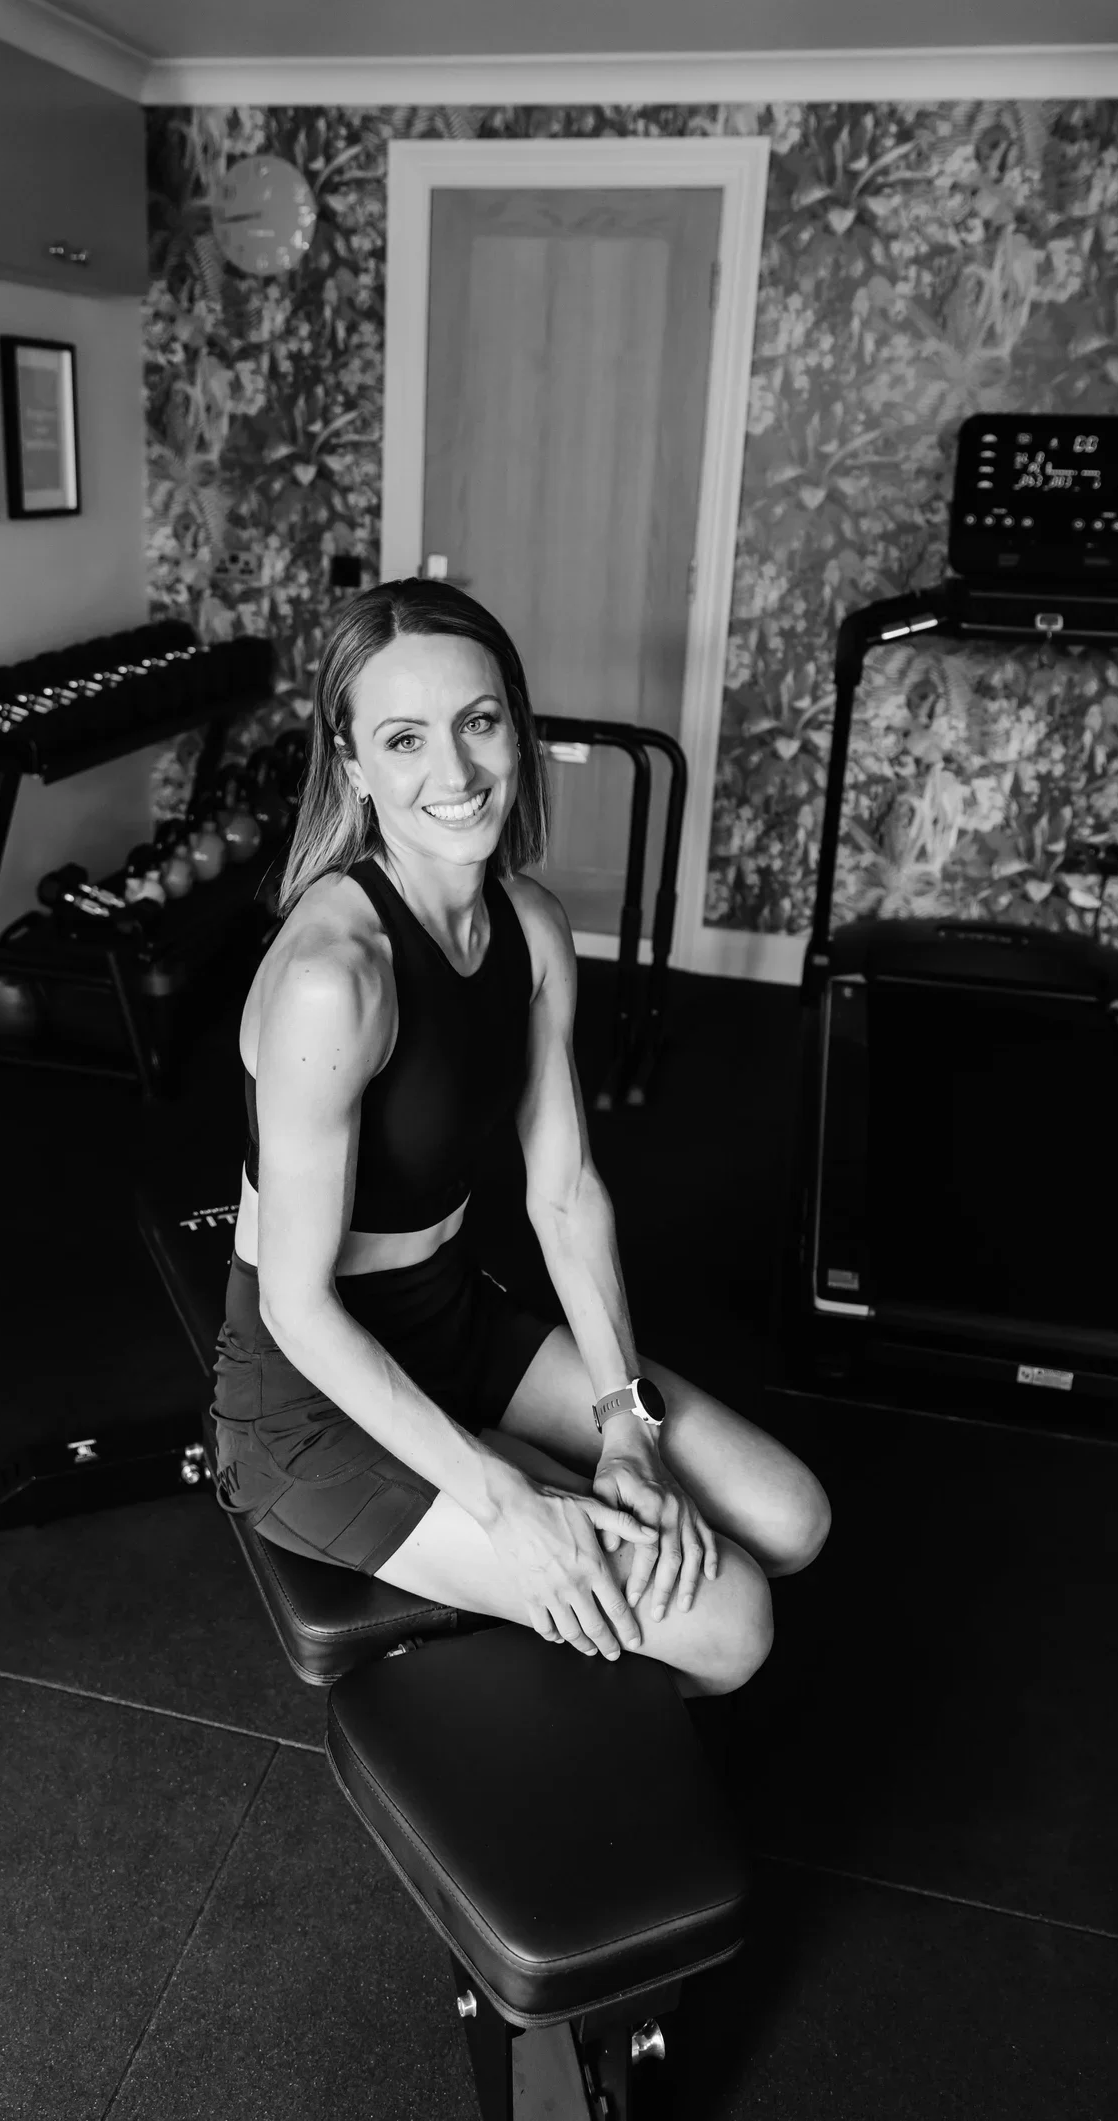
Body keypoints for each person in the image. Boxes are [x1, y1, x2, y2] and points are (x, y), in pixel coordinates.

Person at [212, 578, 829, 1693]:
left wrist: (625, 1419)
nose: (455, 773)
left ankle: (587, 1604)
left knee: (791, 1517)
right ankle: (572, 1668)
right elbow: (299, 1308)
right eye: (405, 739)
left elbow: (565, 1192)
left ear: (517, 726)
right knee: (735, 1620)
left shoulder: (532, 925)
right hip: (308, 1400)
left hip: (449, 1316)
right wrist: (513, 1497)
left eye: (479, 721)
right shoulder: (332, 979)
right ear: (352, 763)